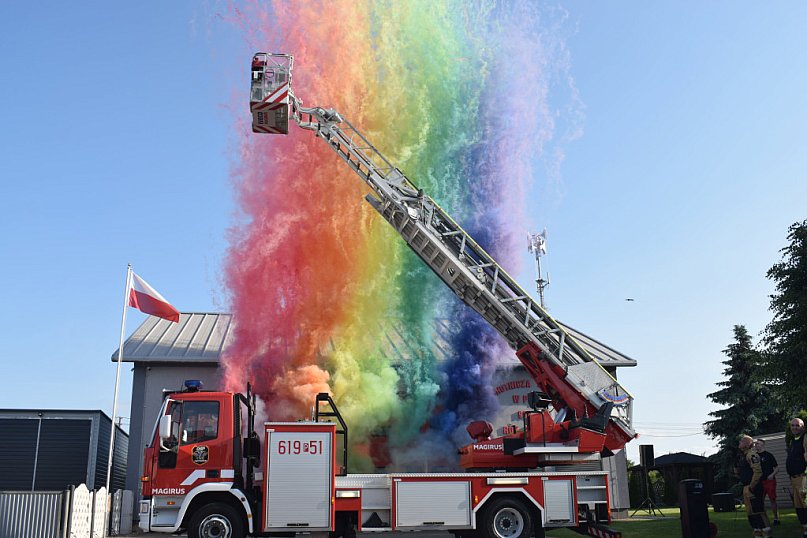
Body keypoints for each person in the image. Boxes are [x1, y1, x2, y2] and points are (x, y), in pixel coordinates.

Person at [738, 434, 771, 538]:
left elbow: (758, 472)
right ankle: (757, 532)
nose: (739, 443)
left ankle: (767, 533)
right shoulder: (743, 456)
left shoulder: (752, 455)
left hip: (754, 487)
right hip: (746, 487)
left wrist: (752, 486)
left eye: (741, 441)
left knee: (758, 510)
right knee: (750, 512)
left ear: (747, 445)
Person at [787, 418, 807, 537]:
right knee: (799, 507)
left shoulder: (805, 438)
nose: (795, 427)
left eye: (797, 425)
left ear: (802, 427)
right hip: (794, 479)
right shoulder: (792, 441)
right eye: (793, 425)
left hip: (803, 478)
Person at [755, 439, 780, 525]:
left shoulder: (769, 455)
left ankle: (776, 518)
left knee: (772, 499)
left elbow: (777, 468)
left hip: (769, 481)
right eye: (756, 444)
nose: (756, 445)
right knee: (760, 501)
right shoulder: (754, 456)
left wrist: (772, 475)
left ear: (762, 445)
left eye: (758, 444)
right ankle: (763, 519)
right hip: (759, 482)